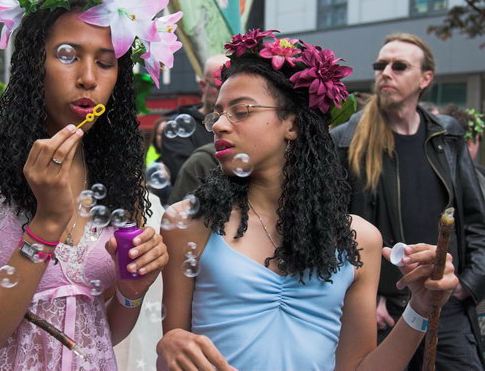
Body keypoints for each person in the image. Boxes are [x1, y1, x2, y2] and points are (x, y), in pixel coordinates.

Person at [156, 29, 458, 370]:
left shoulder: (359, 239)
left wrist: (420, 308)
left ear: (294, 124)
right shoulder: (192, 223)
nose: (219, 126)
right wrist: (167, 345)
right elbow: (174, 356)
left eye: (241, 111)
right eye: (217, 113)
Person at [0, 0, 179, 369]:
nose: (89, 78)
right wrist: (47, 223)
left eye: (105, 63)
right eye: (68, 55)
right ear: (32, 63)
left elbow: (98, 331)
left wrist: (131, 291)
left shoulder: (116, 177)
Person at [331, 33, 485, 369]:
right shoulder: (346, 140)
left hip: (447, 307)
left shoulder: (448, 136)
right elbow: (331, 231)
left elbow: (475, 221)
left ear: (425, 79)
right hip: (382, 313)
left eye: (399, 66)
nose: (385, 72)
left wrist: (467, 286)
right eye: (380, 65)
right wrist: (362, 298)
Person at [161, 55, 228, 184]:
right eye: (220, 85)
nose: (227, 91)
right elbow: (188, 180)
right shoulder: (179, 128)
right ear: (203, 86)